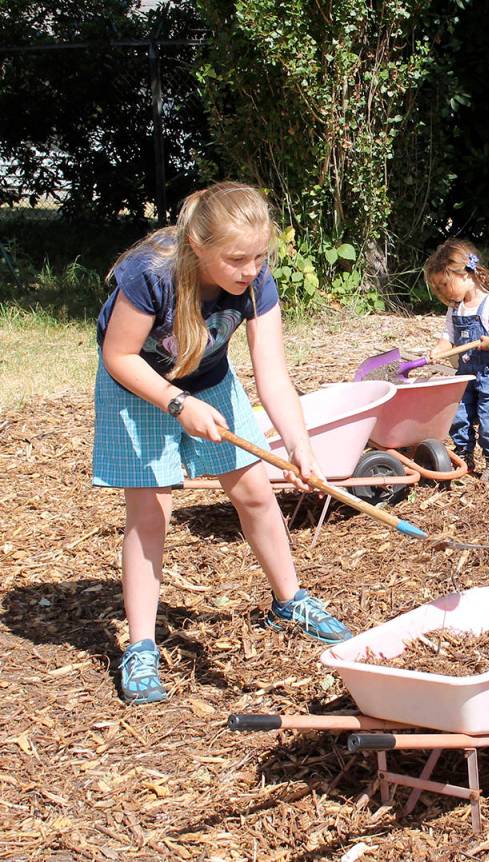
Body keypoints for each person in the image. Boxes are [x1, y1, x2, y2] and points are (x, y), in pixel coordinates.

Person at [93, 182, 351, 705]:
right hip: (140, 388)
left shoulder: (256, 282)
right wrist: (176, 404)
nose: (250, 270)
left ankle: (289, 600)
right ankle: (141, 644)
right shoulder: (150, 274)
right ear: (196, 247)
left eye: (259, 257)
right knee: (151, 511)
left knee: (256, 491)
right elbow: (119, 356)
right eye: (236, 259)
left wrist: (300, 445)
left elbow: (272, 372)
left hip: (209, 381)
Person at [423, 240, 489, 483]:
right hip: (465, 373)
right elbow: (448, 336)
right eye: (439, 287)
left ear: (466, 275)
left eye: (445, 285)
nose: (444, 292)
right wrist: (437, 350)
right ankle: (464, 455)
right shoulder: (456, 309)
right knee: (458, 416)